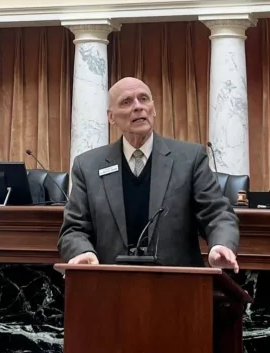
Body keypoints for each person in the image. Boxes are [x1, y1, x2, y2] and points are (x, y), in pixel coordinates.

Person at [58, 77, 240, 271]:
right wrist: (82, 252)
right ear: (111, 117)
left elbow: (217, 214)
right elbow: (74, 229)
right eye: (126, 102)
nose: (138, 107)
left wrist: (221, 244)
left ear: (154, 109)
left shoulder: (189, 159)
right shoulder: (88, 166)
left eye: (144, 99)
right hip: (110, 286)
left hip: (177, 286)